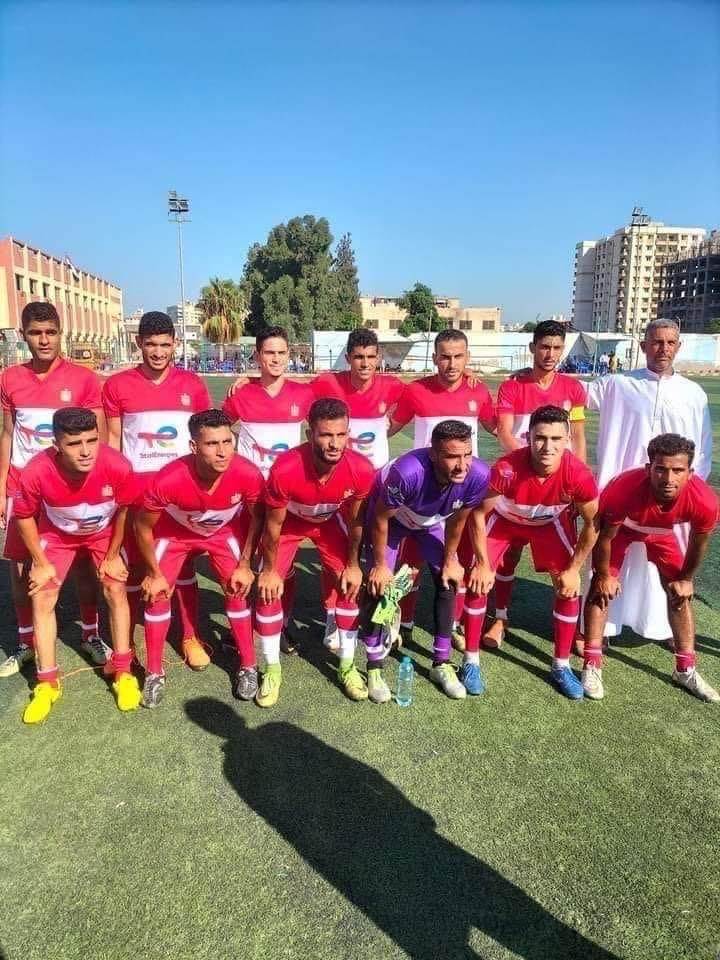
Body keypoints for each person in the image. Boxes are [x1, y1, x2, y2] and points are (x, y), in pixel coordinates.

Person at [582, 319, 713, 644]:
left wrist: (686, 491)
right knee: (606, 561)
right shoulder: (617, 384)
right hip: (620, 496)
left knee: (672, 566)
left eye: (670, 343)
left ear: (678, 347)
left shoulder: (693, 393)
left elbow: (703, 447)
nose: (663, 349)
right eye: (656, 342)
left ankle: (664, 627)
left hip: (671, 498)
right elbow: (572, 396)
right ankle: (602, 629)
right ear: (643, 346)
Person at [0, 302, 107, 678]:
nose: (44, 340)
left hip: (69, 489)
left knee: (83, 563)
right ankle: (26, 641)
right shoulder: (10, 378)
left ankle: (91, 633)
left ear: (61, 333)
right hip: (22, 487)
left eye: (50, 332)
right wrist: (1, 486)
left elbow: (98, 438)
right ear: (23, 335)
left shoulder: (84, 379)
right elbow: (8, 433)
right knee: (20, 568)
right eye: (35, 333)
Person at [463, 406, 599, 699]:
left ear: (567, 441)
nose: (548, 446)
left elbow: (593, 523)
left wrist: (574, 569)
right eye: (540, 438)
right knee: (477, 581)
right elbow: (478, 514)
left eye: (556, 439)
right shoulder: (507, 468)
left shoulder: (578, 474)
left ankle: (561, 665)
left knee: (568, 588)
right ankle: (470, 661)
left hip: (548, 522)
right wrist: (483, 564)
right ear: (528, 437)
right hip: (504, 519)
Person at [12, 408, 137, 723]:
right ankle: (47, 683)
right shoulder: (36, 470)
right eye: (74, 443)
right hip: (57, 536)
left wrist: (113, 554)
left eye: (92, 441)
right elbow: (24, 517)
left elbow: (124, 510)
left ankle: (123, 672)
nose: (85, 451)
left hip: (103, 534)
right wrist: (40, 563)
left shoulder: (118, 465)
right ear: (56, 444)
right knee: (42, 594)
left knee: (115, 587)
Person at [133, 410, 265, 708]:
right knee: (157, 594)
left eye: (227, 441)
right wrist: (153, 573)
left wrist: (245, 564)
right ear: (194, 446)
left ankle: (248, 665)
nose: (222, 451)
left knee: (237, 587)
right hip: (174, 535)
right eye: (212, 444)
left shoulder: (247, 472)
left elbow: (257, 517)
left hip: (222, 533)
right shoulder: (169, 478)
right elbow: (142, 526)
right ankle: (154, 673)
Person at [103, 311, 212, 668]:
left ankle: (190, 636)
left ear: (175, 344)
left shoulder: (192, 385)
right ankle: (131, 637)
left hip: (181, 498)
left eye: (165, 344)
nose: (158, 352)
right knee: (136, 567)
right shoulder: (117, 385)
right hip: (136, 496)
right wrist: (115, 491)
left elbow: (205, 438)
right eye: (151, 344)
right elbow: (114, 441)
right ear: (139, 343)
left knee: (184, 567)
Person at [254, 398, 375, 707]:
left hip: (329, 522)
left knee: (350, 585)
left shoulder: (361, 468)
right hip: (290, 523)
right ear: (310, 435)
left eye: (341, 434)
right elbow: (272, 526)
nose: (335, 443)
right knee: (268, 589)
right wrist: (269, 570)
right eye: (326, 435)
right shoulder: (286, 468)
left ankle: (347, 667)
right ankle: (272, 670)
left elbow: (356, 522)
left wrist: (353, 565)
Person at [359, 420, 490, 702]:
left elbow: (458, 520)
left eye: (467, 454)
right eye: (452, 456)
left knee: (447, 578)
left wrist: (451, 558)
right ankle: (374, 666)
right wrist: (380, 566)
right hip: (392, 520)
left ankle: (441, 663)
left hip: (430, 522)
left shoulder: (478, 474)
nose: (462, 465)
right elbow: (381, 518)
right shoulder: (407, 472)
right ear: (433, 453)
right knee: (377, 585)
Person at [581, 434, 719, 702]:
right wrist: (604, 575)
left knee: (679, 592)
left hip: (661, 533)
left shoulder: (704, 500)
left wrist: (686, 578)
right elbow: (605, 537)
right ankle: (592, 664)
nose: (668, 478)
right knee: (601, 587)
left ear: (690, 473)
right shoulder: (624, 489)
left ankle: (685, 669)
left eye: (678, 470)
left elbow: (698, 543)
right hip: (622, 529)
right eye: (661, 469)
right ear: (649, 468)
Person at [387, 328, 497, 640]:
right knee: (411, 563)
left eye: (458, 356)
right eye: (445, 357)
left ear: (467, 358)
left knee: (458, 559)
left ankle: (453, 623)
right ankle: (403, 621)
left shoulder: (478, 391)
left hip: (462, 492)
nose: (452, 363)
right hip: (423, 494)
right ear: (435, 358)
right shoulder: (415, 391)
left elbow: (497, 427)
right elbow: (390, 428)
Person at [487, 319, 587, 650]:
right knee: (509, 555)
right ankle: (501, 618)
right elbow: (504, 432)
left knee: (565, 563)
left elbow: (578, 438)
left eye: (557, 348)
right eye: (544, 346)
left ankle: (572, 630)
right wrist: (529, 465)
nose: (550, 354)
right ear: (533, 347)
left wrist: (575, 479)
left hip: (559, 487)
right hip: (520, 481)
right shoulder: (512, 387)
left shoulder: (573, 389)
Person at [222, 325, 315, 654]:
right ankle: (243, 626)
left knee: (281, 565)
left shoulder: (304, 394)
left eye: (281, 353)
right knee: (245, 561)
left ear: (289, 355)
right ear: (257, 356)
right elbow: (218, 430)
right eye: (269, 353)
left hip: (286, 496)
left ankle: (280, 623)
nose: (276, 359)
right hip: (248, 496)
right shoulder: (241, 394)